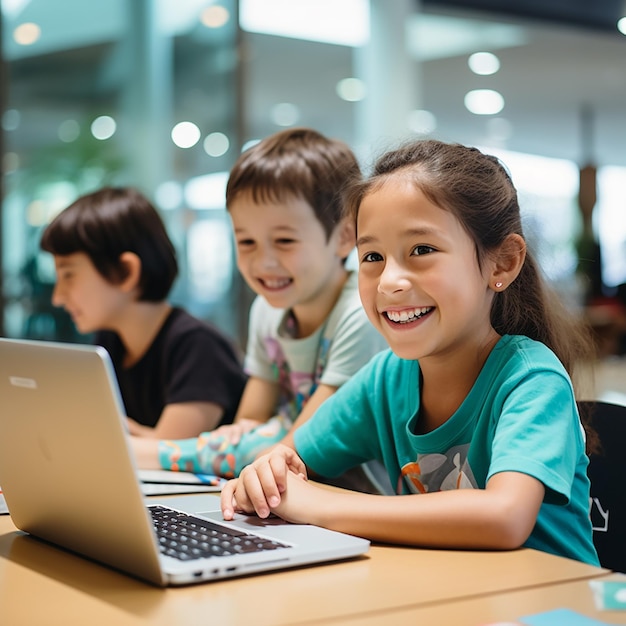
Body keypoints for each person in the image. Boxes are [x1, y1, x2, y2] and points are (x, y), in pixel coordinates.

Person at [220, 138, 600, 566]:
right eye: (373, 256)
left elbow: (504, 517)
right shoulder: (385, 379)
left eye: (421, 250)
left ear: (502, 263)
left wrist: (317, 504)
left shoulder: (531, 378)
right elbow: (285, 463)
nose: (389, 282)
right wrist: (263, 476)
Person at [133, 127, 389, 487]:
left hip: (348, 479)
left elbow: (306, 442)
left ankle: (142, 454)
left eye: (284, 240)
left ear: (345, 236)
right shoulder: (267, 310)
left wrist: (178, 449)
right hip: (283, 472)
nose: (263, 262)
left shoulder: (360, 314)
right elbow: (249, 420)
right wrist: (235, 437)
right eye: (246, 242)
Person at [40, 186, 247, 439]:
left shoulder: (198, 347)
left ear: (126, 271)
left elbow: (169, 455)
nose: (58, 296)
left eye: (68, 275)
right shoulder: (109, 341)